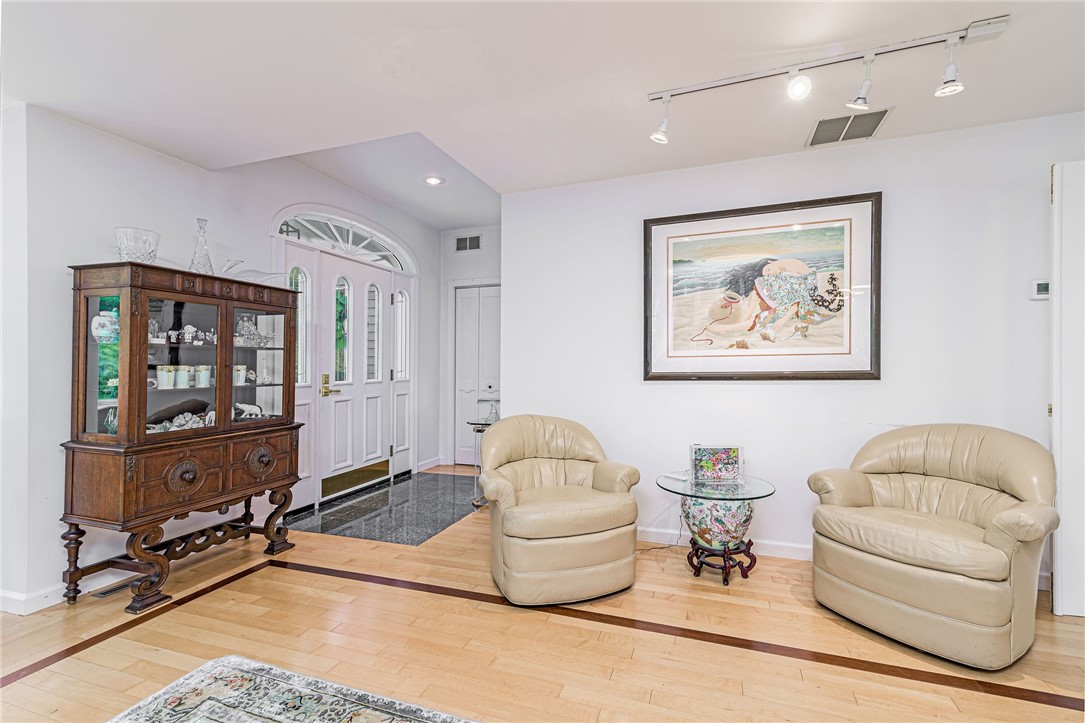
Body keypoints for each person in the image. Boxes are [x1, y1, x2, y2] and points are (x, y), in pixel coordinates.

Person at [689, 258, 843, 345]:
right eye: (767, 273)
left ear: (770, 262)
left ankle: (727, 329)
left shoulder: (792, 269)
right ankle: (745, 318)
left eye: (769, 271)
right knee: (759, 287)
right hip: (792, 299)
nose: (770, 274)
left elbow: (800, 299)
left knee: (769, 315)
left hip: (802, 305)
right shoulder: (782, 270)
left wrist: (784, 319)